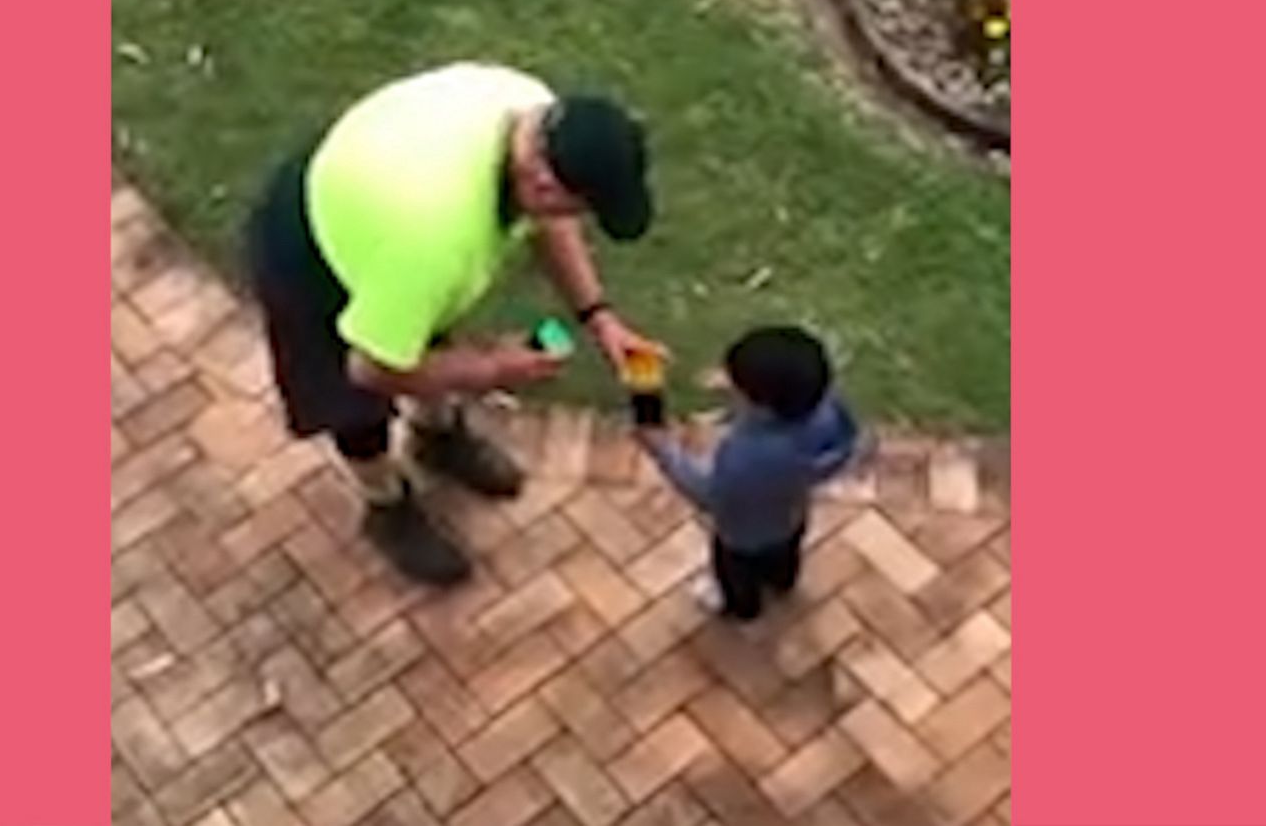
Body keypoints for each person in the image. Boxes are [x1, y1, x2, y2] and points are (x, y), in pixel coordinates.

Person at [245, 62, 663, 587]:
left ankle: (435, 438)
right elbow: (371, 369)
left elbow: (550, 222)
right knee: (357, 410)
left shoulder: (532, 112)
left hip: (381, 213)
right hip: (312, 258)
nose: (575, 218)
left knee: (431, 343)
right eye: (581, 205)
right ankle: (387, 506)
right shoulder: (438, 241)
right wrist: (492, 368)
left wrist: (598, 317)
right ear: (544, 181)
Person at [636, 326, 859, 620]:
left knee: (738, 578)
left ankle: (742, 608)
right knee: (784, 560)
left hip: (741, 540)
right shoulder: (827, 413)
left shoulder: (746, 459)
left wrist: (663, 449)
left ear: (760, 405)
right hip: (790, 520)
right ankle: (783, 583)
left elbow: (708, 495)